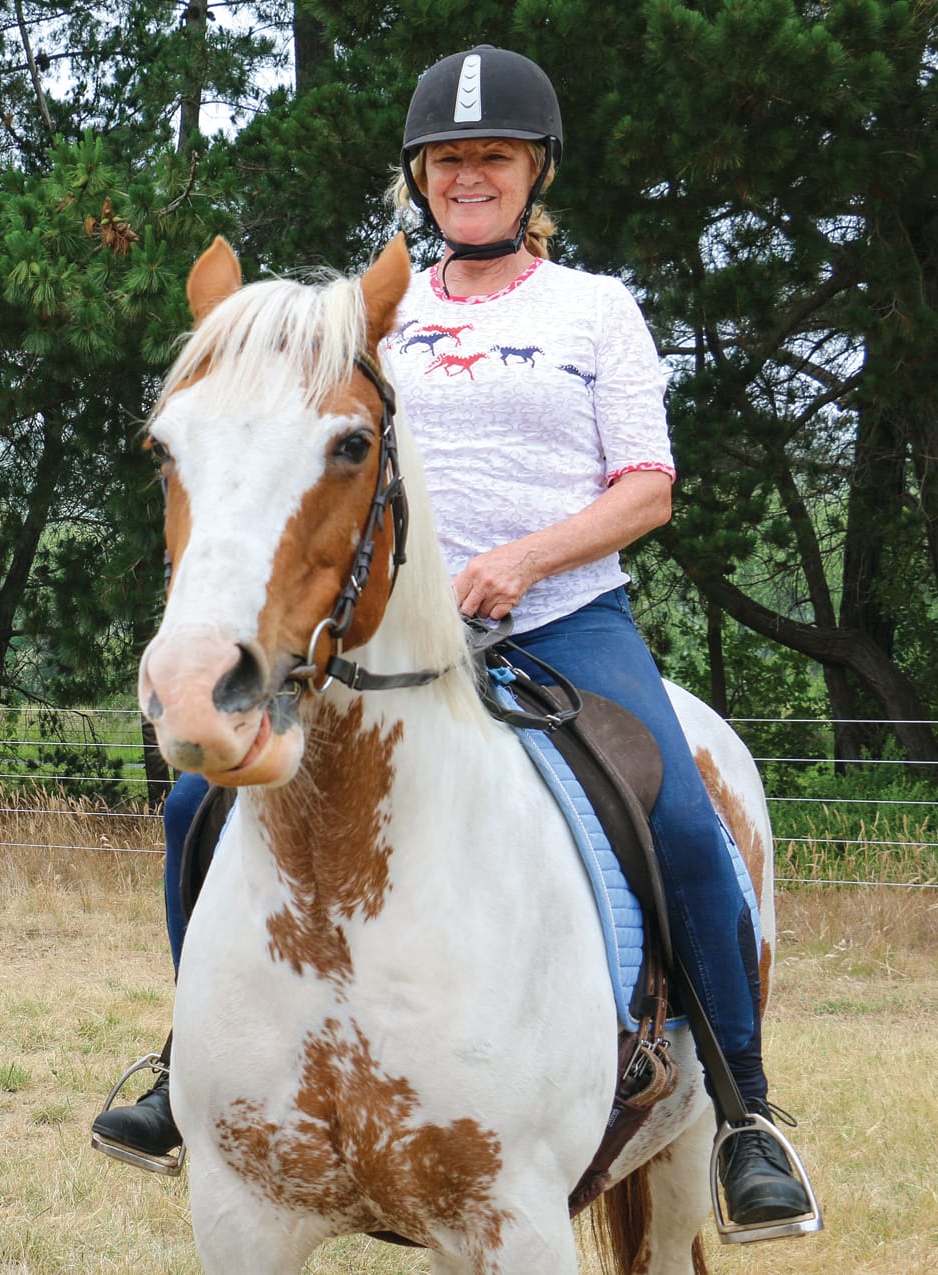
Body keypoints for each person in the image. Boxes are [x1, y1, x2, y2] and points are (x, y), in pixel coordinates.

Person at [93, 46, 816, 1235]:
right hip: (384, 628)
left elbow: (646, 489)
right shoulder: (373, 314)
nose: (466, 176)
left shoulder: (595, 310)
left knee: (680, 814)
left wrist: (528, 559)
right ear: (417, 180)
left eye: (491, 157)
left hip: (561, 619)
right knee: (192, 806)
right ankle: (190, 1069)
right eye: (446, 159)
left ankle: (742, 1112)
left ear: (532, 174)